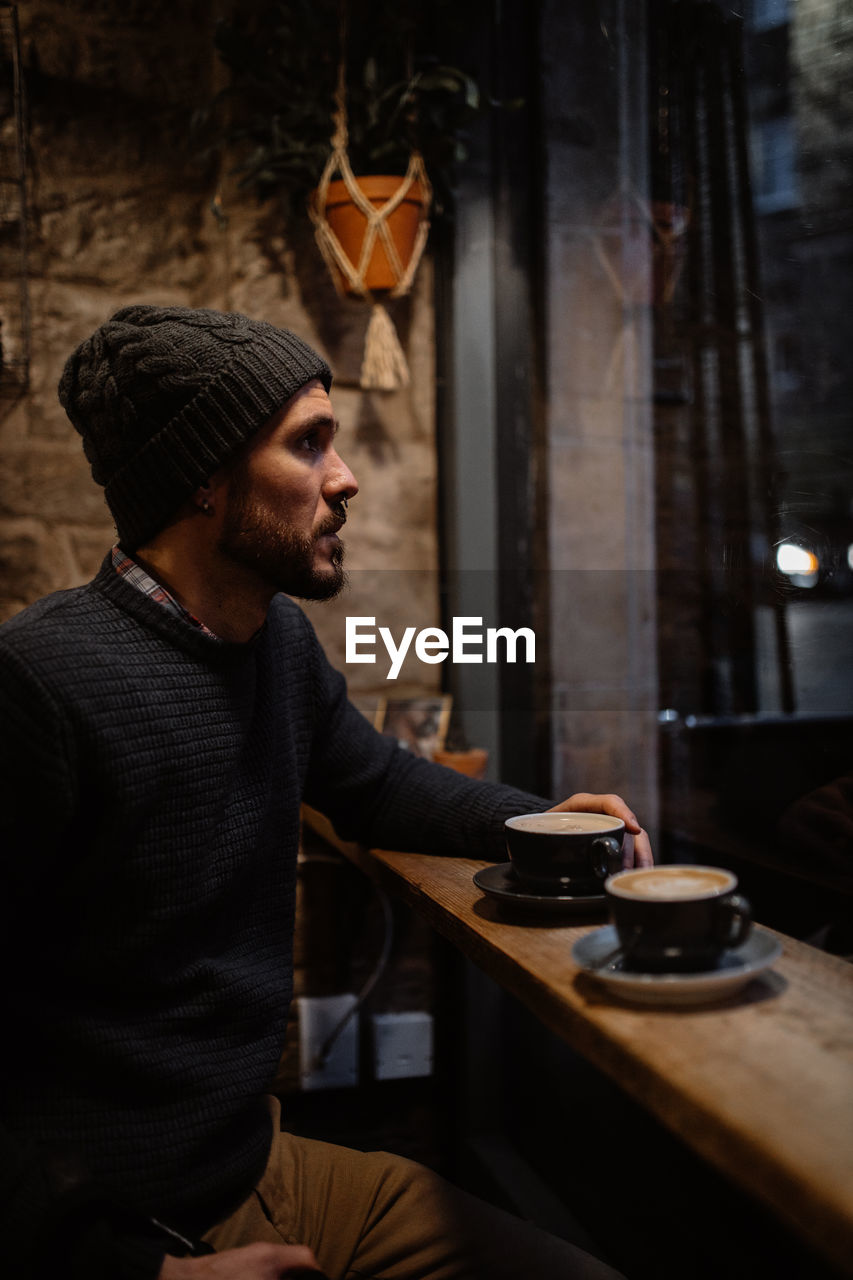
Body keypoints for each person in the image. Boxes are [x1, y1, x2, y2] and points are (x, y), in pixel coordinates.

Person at [0, 305, 652, 1280]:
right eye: (308, 445)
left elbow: (378, 782)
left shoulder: (277, 645)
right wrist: (136, 1272)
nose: (345, 480)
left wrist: (539, 821)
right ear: (203, 480)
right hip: (116, 1229)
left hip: (261, 1161)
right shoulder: (39, 685)